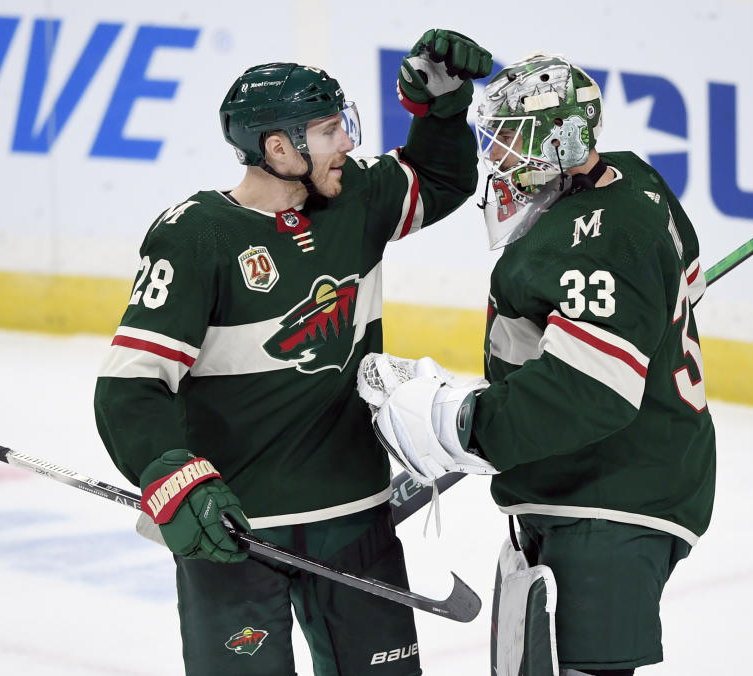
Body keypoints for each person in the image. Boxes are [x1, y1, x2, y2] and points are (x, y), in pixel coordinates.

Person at [93, 30, 492, 676]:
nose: (349, 144)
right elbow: (131, 384)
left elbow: (440, 177)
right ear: (279, 148)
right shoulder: (196, 237)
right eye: (331, 130)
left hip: (356, 519)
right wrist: (171, 474)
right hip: (234, 534)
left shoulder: (356, 198)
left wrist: (439, 106)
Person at [358, 53, 716, 676]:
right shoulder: (633, 182)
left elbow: (585, 393)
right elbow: (683, 281)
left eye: (513, 140)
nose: (495, 157)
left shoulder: (602, 236)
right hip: (582, 481)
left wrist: (456, 422)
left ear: (569, 141)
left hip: (611, 501)